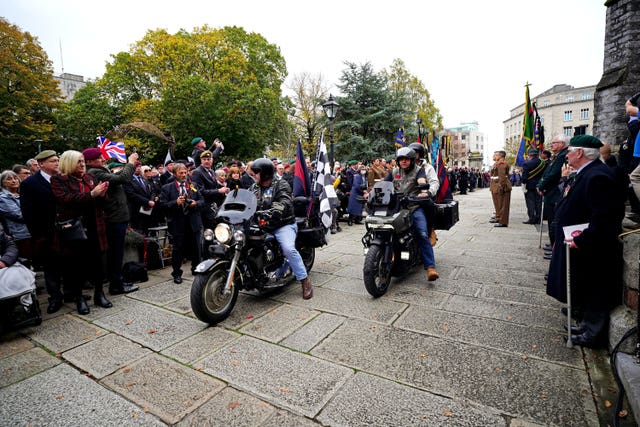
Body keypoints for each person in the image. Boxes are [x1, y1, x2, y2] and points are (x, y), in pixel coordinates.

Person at [546, 135, 624, 348]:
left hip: (594, 245)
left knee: (596, 287)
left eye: (569, 151)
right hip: (583, 242)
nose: (567, 155)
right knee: (588, 286)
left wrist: (584, 239)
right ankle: (587, 325)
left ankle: (593, 334)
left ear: (579, 153)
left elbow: (604, 216)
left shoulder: (597, 176)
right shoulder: (587, 172)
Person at [51, 150, 111, 315]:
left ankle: (99, 294)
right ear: (69, 162)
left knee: (99, 264)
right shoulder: (59, 180)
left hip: (95, 227)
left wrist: (102, 194)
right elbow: (66, 199)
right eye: (78, 161)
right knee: (77, 266)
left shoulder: (89, 178)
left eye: (83, 160)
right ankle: (80, 299)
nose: (82, 164)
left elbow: (101, 202)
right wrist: (91, 194)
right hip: (75, 229)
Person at [250, 158, 313, 299]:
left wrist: (277, 209)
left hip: (282, 224)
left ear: (265, 173)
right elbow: (246, 199)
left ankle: (304, 280)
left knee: (288, 249)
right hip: (262, 224)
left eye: (256, 172)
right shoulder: (254, 187)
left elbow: (285, 199)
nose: (254, 175)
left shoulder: (280, 184)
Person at [84, 147, 140, 295]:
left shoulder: (99, 170)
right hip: (113, 218)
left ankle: (117, 281)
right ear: (89, 161)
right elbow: (122, 179)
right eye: (99, 158)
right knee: (115, 254)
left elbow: (119, 177)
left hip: (117, 217)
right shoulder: (94, 172)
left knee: (116, 253)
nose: (103, 159)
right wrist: (131, 163)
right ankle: (116, 285)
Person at [20, 150, 65, 313]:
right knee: (51, 267)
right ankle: (55, 297)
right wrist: (38, 235)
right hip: (46, 233)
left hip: (66, 230)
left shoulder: (63, 179)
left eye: (57, 160)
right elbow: (27, 212)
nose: (57, 163)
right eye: (53, 161)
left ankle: (71, 293)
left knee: (68, 263)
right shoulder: (30, 184)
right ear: (41, 164)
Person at [384, 147, 439, 281]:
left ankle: (430, 267)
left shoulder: (419, 171)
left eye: (406, 159)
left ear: (412, 160)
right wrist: (371, 193)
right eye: (401, 159)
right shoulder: (394, 171)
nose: (403, 161)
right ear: (397, 161)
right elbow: (384, 183)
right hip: (397, 207)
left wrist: (424, 190)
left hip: (414, 206)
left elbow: (422, 181)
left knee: (421, 233)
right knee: (386, 228)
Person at [159, 163, 205, 284]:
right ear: (175, 174)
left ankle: (196, 268)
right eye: (181, 173)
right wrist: (175, 203)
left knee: (196, 247)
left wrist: (196, 203)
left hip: (193, 222)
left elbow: (202, 201)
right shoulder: (167, 188)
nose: (184, 175)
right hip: (177, 223)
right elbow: (162, 205)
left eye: (185, 172)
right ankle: (177, 273)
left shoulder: (193, 185)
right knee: (178, 249)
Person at [537, 134, 569, 250]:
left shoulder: (562, 156)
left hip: (555, 192)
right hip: (549, 191)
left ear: (562, 144)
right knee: (551, 220)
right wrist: (540, 185)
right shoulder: (557, 156)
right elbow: (546, 173)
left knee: (554, 221)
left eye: (554, 143)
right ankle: (552, 243)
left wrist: (541, 186)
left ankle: (554, 245)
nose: (551, 145)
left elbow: (553, 175)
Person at [191, 150, 230, 229]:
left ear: (212, 160)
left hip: (214, 205)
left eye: (208, 159)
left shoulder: (211, 171)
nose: (206, 161)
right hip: (205, 206)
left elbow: (213, 186)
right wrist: (218, 191)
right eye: (204, 159)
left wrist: (223, 189)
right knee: (209, 230)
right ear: (201, 160)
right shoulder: (197, 172)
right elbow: (200, 191)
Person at [0, 170, 32, 262]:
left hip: (31, 232)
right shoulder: (2, 198)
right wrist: (36, 214)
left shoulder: (23, 194)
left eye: (15, 178)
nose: (14, 181)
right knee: (25, 263)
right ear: (3, 183)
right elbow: (18, 215)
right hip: (19, 235)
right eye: (9, 179)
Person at [124, 161, 156, 235]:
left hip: (147, 210)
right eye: (136, 166)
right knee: (138, 232)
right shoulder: (128, 180)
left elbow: (152, 191)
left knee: (147, 231)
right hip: (136, 211)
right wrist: (147, 202)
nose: (138, 168)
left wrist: (151, 200)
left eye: (139, 166)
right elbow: (132, 194)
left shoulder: (144, 179)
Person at [521, 148, 545, 224]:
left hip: (530, 186)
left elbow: (524, 177)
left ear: (530, 155)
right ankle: (538, 218)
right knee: (538, 202)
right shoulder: (543, 163)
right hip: (540, 185)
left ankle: (532, 218)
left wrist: (523, 183)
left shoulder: (527, 164)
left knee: (530, 202)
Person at [489, 150, 512, 227]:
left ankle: (503, 221)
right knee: (499, 204)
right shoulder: (497, 163)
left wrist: (500, 187)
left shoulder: (502, 164)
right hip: (496, 185)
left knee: (503, 205)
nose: (494, 156)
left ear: (500, 156)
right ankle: (499, 217)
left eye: (496, 155)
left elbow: (502, 177)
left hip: (502, 186)